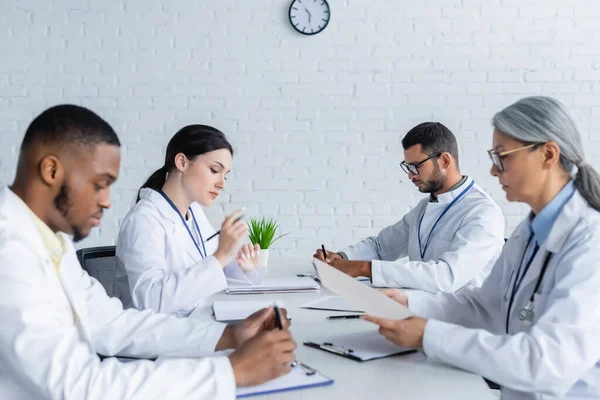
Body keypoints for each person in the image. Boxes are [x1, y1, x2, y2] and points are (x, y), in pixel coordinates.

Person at [0, 105, 296, 399]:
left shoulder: (51, 241)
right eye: (99, 185)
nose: (107, 202)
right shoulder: (9, 251)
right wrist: (232, 372)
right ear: (51, 170)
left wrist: (230, 336)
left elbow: (113, 324)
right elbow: (78, 386)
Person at [363, 96, 600, 399]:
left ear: (548, 155)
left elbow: (545, 363)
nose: (493, 170)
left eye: (503, 157)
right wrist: (409, 303)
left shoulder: (590, 242)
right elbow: (486, 308)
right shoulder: (529, 231)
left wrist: (428, 335)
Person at [314, 122, 505, 293]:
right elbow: (382, 246)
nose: (410, 175)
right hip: (422, 308)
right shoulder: (426, 207)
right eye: (408, 167)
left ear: (445, 161)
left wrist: (364, 268)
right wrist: (341, 258)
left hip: (465, 321)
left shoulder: (483, 214)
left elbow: (447, 276)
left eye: (416, 166)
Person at [115, 125, 262, 317]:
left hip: (195, 320)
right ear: (182, 162)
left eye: (225, 175)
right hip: (157, 336)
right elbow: (149, 300)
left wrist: (244, 266)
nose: (222, 183)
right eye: (214, 170)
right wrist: (221, 256)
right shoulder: (144, 220)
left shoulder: (194, 212)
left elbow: (214, 269)